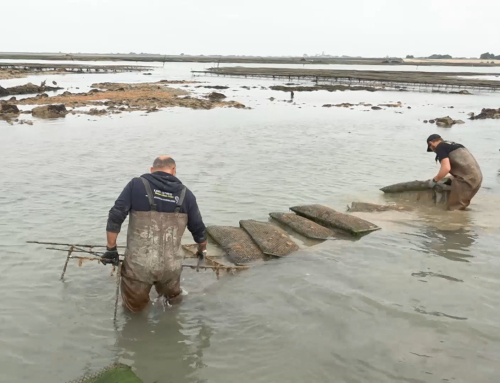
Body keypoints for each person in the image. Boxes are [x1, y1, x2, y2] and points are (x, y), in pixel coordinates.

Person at [103, 155, 207, 312]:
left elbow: (115, 216)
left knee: (134, 311)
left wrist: (111, 249)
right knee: (173, 304)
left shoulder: (136, 185)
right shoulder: (187, 195)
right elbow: (199, 230)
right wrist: (201, 250)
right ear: (174, 170)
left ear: (151, 170)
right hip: (171, 267)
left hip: (138, 267)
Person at [426, 134, 482, 210]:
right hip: (477, 178)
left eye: (431, 149)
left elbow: (446, 168)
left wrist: (435, 180)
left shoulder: (440, 147)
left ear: (431, 143)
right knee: (462, 206)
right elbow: (462, 166)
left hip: (465, 180)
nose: (434, 151)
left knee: (455, 210)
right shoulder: (453, 145)